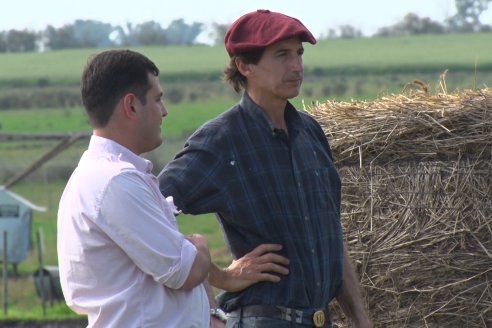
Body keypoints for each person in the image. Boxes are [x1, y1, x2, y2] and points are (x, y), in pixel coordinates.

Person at [158, 9, 372, 328]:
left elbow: (331, 235)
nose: (296, 66)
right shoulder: (221, 141)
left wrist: (360, 319)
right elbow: (151, 210)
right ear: (245, 66)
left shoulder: (311, 134)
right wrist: (222, 276)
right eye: (282, 55)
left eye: (299, 54)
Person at [57, 49, 215, 327]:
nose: (164, 111)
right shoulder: (116, 181)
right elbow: (185, 271)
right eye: (157, 99)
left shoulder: (98, 176)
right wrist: (200, 244)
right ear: (131, 106)